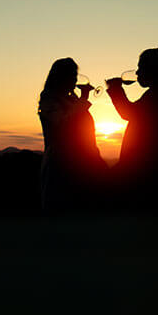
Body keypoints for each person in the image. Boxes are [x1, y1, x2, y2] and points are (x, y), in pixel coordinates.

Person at [106, 48, 158, 209]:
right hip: (149, 170)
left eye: (141, 68)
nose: (137, 73)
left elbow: (128, 113)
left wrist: (116, 89)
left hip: (146, 173)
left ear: (153, 70)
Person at [38, 57, 108, 213]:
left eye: (75, 76)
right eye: (71, 76)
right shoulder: (48, 99)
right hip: (61, 166)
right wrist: (83, 99)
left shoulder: (71, 99)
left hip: (82, 166)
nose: (74, 80)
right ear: (60, 77)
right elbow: (63, 124)